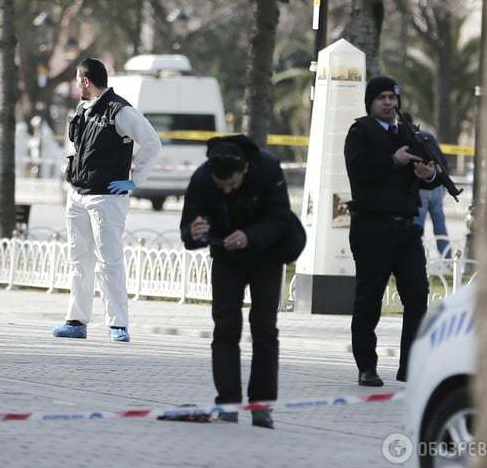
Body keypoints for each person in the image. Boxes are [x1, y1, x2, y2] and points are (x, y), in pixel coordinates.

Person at [180, 134, 300, 429]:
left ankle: (261, 406)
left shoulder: (268, 169)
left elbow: (281, 219)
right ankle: (228, 403)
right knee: (225, 327)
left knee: (263, 327)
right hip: (226, 258)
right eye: (222, 188)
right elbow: (188, 227)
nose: (228, 191)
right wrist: (193, 233)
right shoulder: (202, 178)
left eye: (232, 185)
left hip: (266, 256)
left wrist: (250, 236)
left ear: (244, 169)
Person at [51, 58, 161, 342]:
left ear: (85, 81)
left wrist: (135, 179)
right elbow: (78, 147)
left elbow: (151, 141)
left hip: (106, 199)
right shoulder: (82, 110)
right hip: (77, 195)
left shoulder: (120, 111)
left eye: (77, 80)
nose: (76, 85)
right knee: (78, 260)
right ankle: (76, 321)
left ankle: (118, 324)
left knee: (109, 261)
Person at [344, 75, 440, 386]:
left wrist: (428, 175)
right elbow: (360, 173)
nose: (389, 103)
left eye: (393, 97)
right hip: (372, 227)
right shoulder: (360, 132)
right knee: (369, 300)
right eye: (382, 97)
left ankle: (409, 365)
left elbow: (432, 174)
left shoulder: (408, 133)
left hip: (406, 229)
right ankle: (367, 367)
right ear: (371, 101)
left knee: (418, 296)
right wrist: (392, 160)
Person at [407, 113, 452, 259]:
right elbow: (442, 160)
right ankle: (448, 259)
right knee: (440, 226)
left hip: (421, 189)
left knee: (417, 228)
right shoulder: (427, 136)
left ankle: (418, 258)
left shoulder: (408, 139)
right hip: (438, 187)